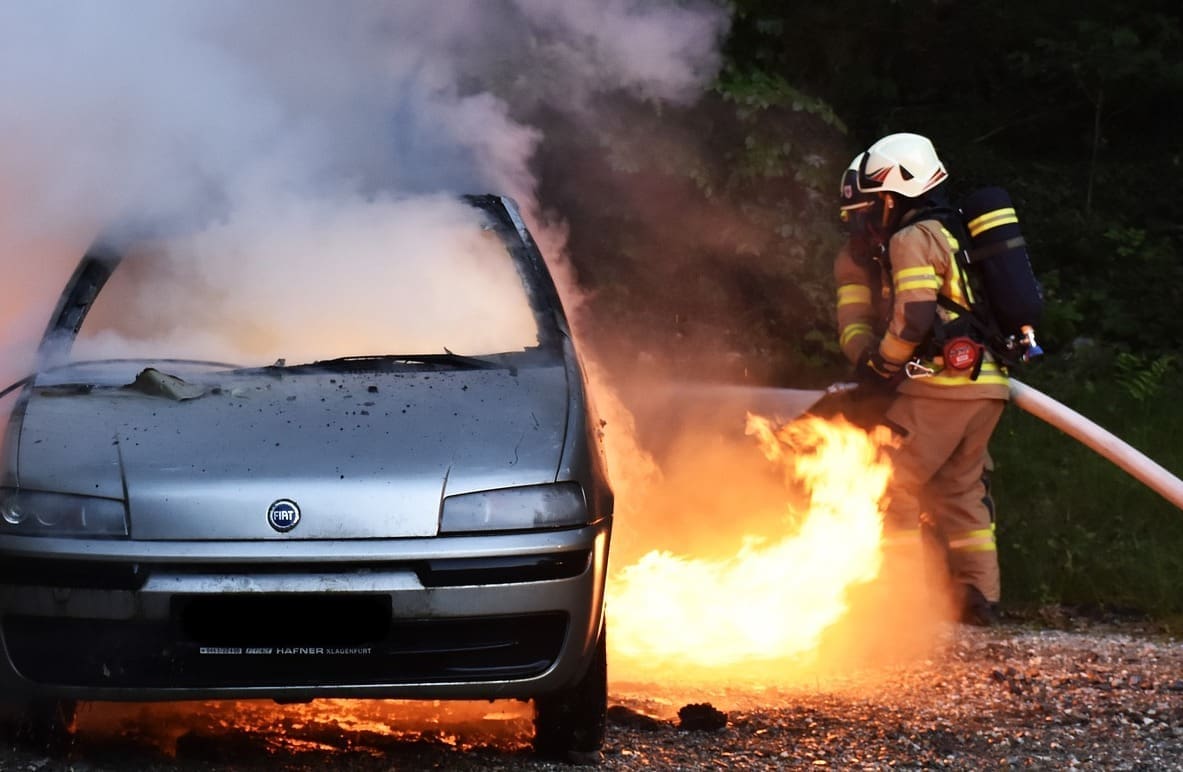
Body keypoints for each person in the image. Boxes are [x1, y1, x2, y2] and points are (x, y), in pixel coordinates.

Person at [833, 132, 1008, 627]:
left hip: (940, 385)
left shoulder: (911, 238)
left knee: (889, 481)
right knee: (960, 489)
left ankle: (902, 601)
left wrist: (881, 365)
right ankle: (980, 599)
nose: (864, 218)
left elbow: (913, 318)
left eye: (871, 205)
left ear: (893, 194)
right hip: (986, 386)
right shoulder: (951, 233)